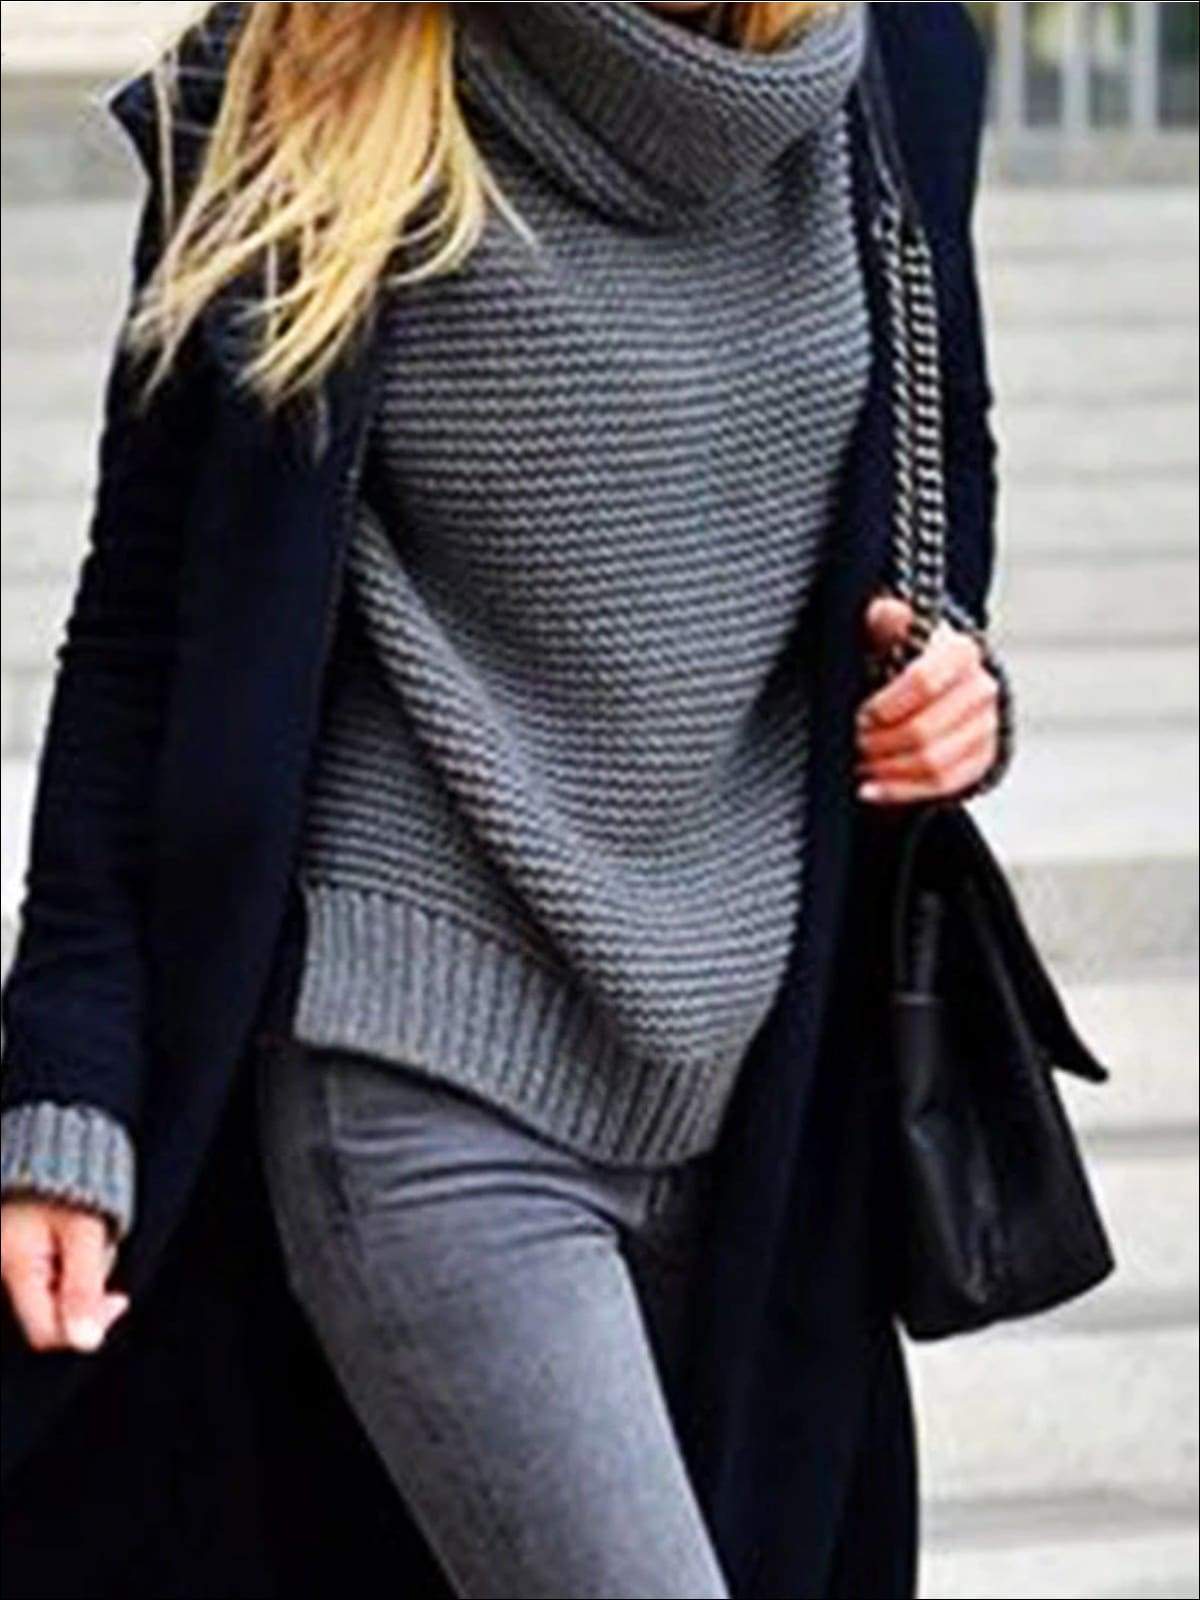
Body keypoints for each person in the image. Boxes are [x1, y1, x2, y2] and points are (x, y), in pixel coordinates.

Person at [0, 4, 1014, 1597]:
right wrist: (64, 1091)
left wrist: (958, 682)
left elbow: (941, 475)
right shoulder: (301, 74)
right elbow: (141, 629)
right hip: (418, 1060)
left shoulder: (900, 78)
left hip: (757, 1089)